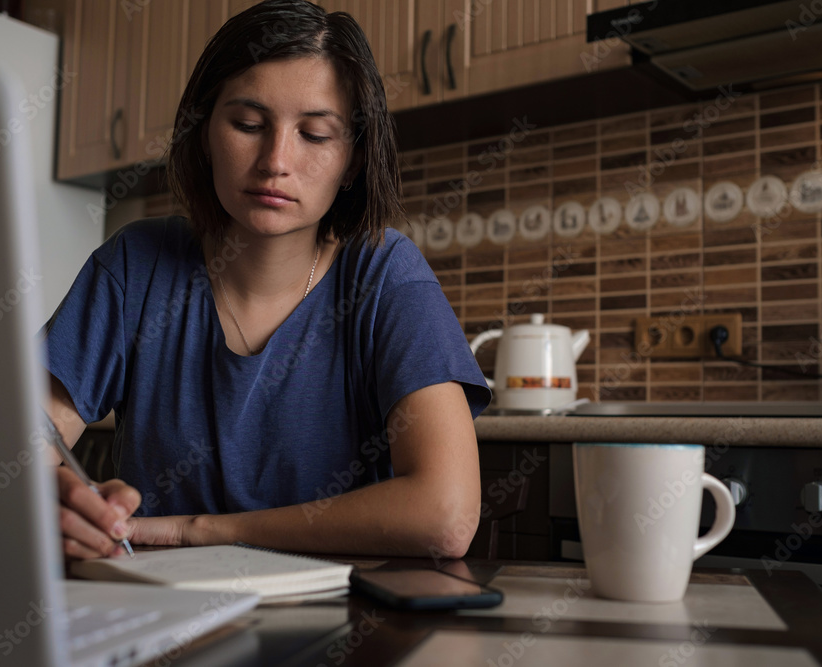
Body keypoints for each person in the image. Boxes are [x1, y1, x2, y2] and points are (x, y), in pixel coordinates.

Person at [42, 0, 491, 562]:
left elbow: (445, 517)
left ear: (353, 161)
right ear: (205, 133)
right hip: (161, 613)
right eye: (249, 125)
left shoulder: (385, 274)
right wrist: (48, 499)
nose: (275, 160)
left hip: (344, 624)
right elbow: (8, 452)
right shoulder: (136, 264)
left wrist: (198, 530)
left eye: (316, 134)